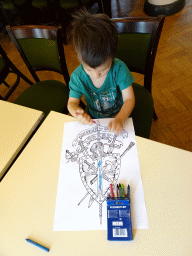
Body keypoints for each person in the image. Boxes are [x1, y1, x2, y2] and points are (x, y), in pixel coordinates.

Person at [67, 9, 135, 134]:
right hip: (94, 120)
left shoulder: (119, 68)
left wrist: (120, 119)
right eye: (88, 69)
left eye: (103, 70)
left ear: (112, 56)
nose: (96, 75)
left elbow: (129, 99)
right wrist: (77, 113)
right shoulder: (78, 76)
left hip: (121, 116)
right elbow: (71, 103)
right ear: (80, 59)